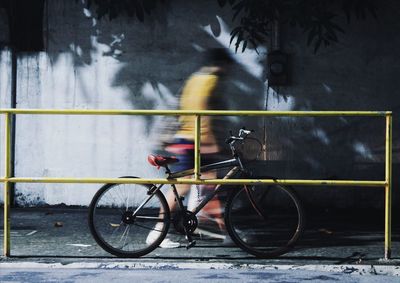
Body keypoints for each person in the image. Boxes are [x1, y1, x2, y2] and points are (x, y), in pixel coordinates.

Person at [147, 48, 234, 248]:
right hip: (195, 141)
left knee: (209, 186)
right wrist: (212, 144)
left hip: (192, 139)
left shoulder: (195, 78)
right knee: (183, 188)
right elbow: (203, 112)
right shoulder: (211, 81)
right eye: (228, 66)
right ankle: (157, 233)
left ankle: (222, 231)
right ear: (222, 65)